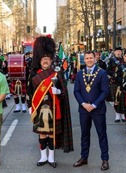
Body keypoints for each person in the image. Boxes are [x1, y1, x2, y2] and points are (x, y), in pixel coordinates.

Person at [27, 36, 73, 168]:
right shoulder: (34, 75)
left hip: (54, 107)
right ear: (39, 60)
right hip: (39, 107)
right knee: (42, 133)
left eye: (48, 59)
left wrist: (58, 92)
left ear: (51, 60)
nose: (46, 61)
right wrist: (30, 106)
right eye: (43, 59)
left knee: (52, 134)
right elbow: (29, 92)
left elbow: (64, 90)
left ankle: (51, 158)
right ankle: (43, 157)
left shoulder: (56, 73)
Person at [73, 51, 109, 171]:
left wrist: (94, 105)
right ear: (84, 59)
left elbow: (105, 91)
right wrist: (83, 103)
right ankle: (84, 157)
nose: (89, 60)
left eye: (91, 58)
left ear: (95, 58)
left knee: (102, 135)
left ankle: (105, 160)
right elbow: (76, 91)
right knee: (84, 134)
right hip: (83, 110)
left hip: (98, 109)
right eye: (87, 58)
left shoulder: (102, 73)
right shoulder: (79, 74)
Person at [106, 46, 125, 122]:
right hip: (115, 82)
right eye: (117, 51)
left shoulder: (124, 60)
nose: (118, 52)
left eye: (119, 51)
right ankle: (117, 115)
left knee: (123, 99)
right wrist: (114, 75)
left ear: (121, 52)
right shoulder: (111, 60)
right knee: (116, 100)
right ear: (114, 52)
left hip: (123, 82)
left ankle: (123, 114)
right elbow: (108, 70)